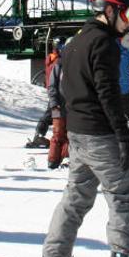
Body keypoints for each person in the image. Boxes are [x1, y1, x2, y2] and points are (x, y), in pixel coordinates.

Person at [41, 0, 129, 257]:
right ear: (110, 10)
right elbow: (107, 93)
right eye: (127, 13)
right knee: (121, 202)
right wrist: (124, 134)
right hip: (103, 137)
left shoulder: (75, 43)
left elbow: (64, 90)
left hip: (79, 137)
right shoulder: (105, 44)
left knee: (74, 200)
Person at [26, 46, 61, 149]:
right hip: (57, 93)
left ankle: (41, 135)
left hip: (54, 91)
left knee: (54, 115)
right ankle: (40, 136)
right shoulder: (58, 61)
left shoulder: (51, 58)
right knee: (53, 114)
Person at [47, 40, 69, 169]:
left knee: (71, 134)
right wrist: (54, 103)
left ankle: (65, 157)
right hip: (58, 105)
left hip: (71, 106)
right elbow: (52, 86)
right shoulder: (58, 65)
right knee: (58, 133)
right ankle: (53, 160)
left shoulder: (76, 65)